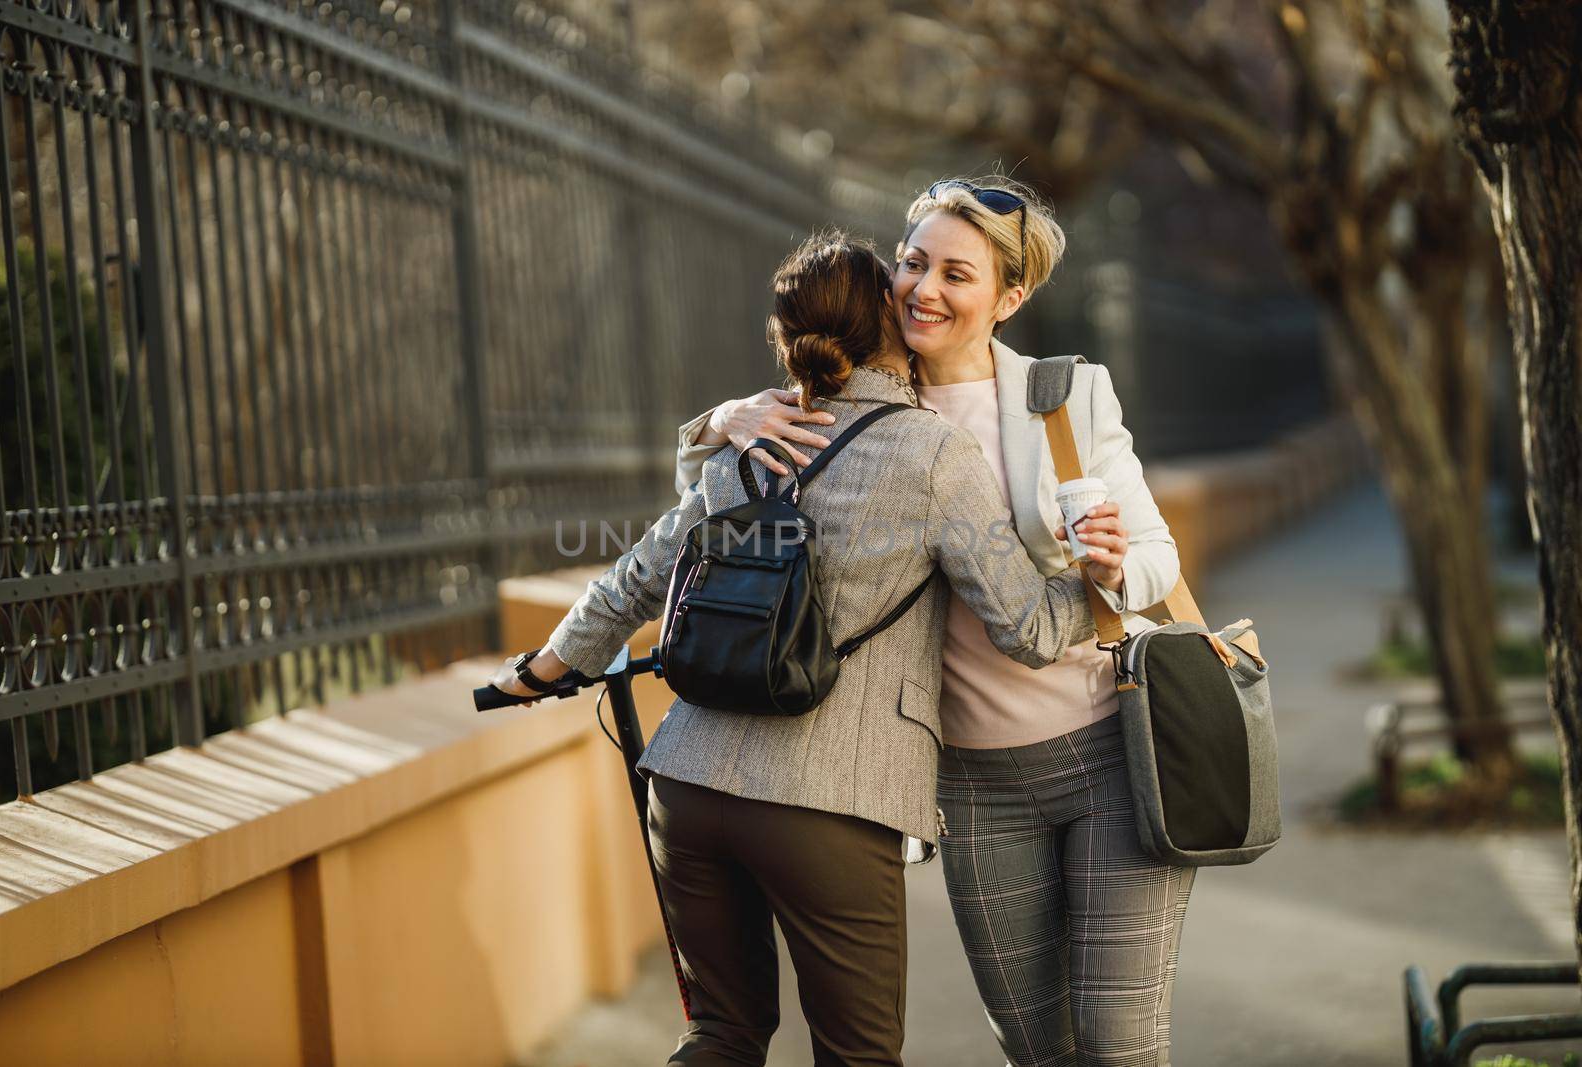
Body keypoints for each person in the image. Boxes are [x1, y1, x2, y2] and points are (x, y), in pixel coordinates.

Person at [492, 230, 1100, 1067]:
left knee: (721, 1035)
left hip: (689, 785)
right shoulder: (931, 452)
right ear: (886, 318)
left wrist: (540, 671)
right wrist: (1101, 586)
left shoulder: (749, 437)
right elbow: (1026, 629)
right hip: (834, 807)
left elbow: (639, 576)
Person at [676, 178, 1193, 1067]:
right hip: (974, 786)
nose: (925, 288)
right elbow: (711, 504)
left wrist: (1113, 564)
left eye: (959, 273)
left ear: (1010, 297)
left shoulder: (1063, 398)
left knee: (1116, 1047)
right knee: (1037, 1048)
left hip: (1107, 753)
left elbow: (1159, 559)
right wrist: (719, 420)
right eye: (913, 262)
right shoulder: (842, 399)